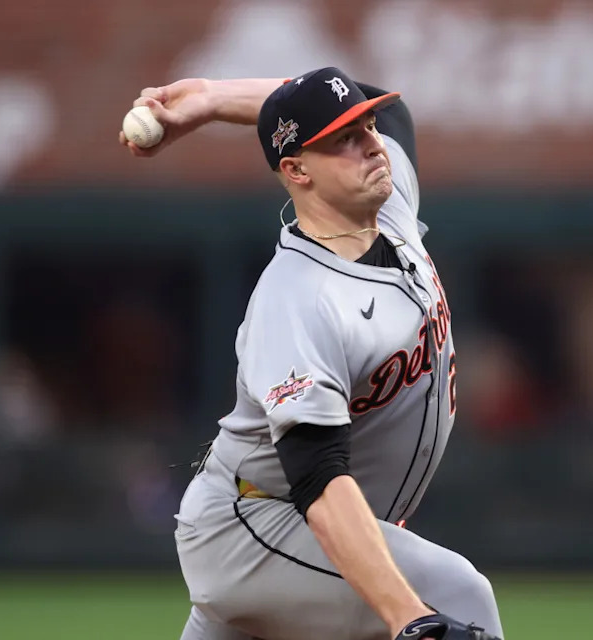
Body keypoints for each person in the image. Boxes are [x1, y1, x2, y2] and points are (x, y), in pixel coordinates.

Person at [120, 67, 503, 640]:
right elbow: (318, 479)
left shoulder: (389, 207)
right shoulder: (297, 301)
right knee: (459, 596)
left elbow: (389, 109)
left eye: (365, 128)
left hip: (300, 533)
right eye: (345, 139)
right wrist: (410, 618)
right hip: (256, 528)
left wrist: (213, 100)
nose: (373, 144)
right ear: (296, 170)